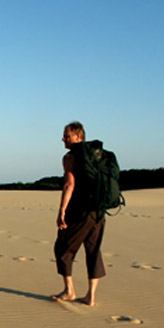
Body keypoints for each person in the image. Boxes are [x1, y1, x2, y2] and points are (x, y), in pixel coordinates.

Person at [51, 121, 106, 306]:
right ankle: (91, 296)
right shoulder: (98, 155)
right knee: (93, 250)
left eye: (66, 136)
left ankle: (69, 291)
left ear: (78, 136)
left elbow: (69, 184)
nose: (63, 139)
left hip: (81, 210)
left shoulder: (70, 157)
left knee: (63, 248)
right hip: (99, 209)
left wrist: (62, 211)